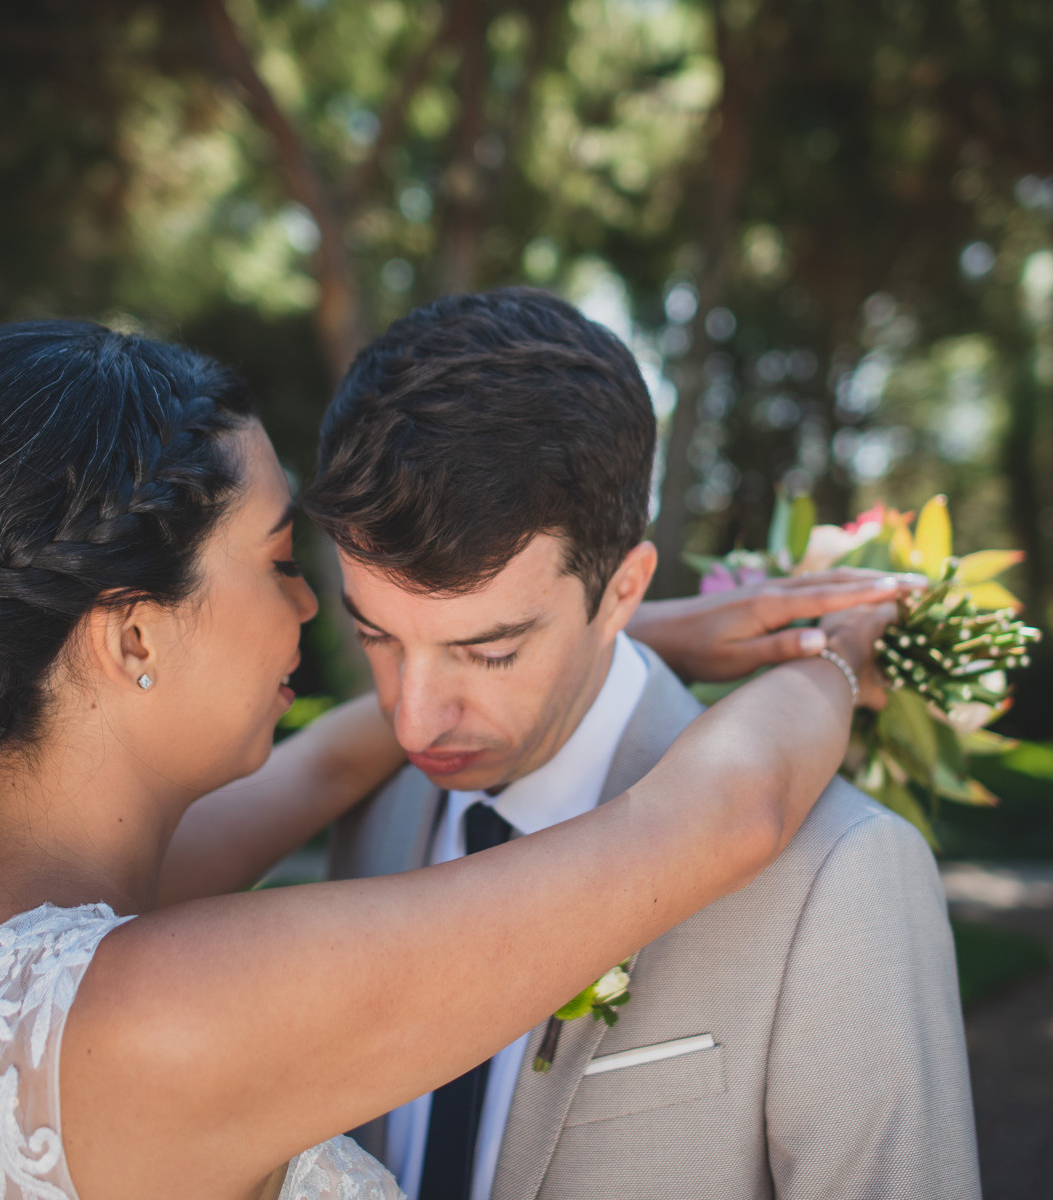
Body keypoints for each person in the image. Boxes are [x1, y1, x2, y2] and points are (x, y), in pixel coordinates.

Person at [0, 320, 898, 1200]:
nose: (313, 614)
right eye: (276, 564)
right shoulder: (158, 1006)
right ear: (133, 630)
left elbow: (323, 769)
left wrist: (606, 626)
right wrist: (837, 654)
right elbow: (727, 815)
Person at [304, 288, 983, 1200]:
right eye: (377, 636)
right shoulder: (373, 816)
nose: (413, 720)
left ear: (624, 592)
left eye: (490, 650)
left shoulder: (841, 874)